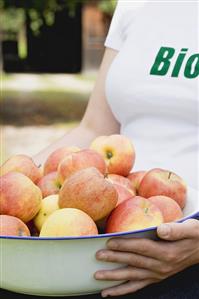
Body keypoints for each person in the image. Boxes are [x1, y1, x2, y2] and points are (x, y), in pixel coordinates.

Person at [1, 0, 198, 298]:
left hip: (186, 239)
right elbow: (94, 128)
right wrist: (11, 181)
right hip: (110, 215)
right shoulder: (135, 5)